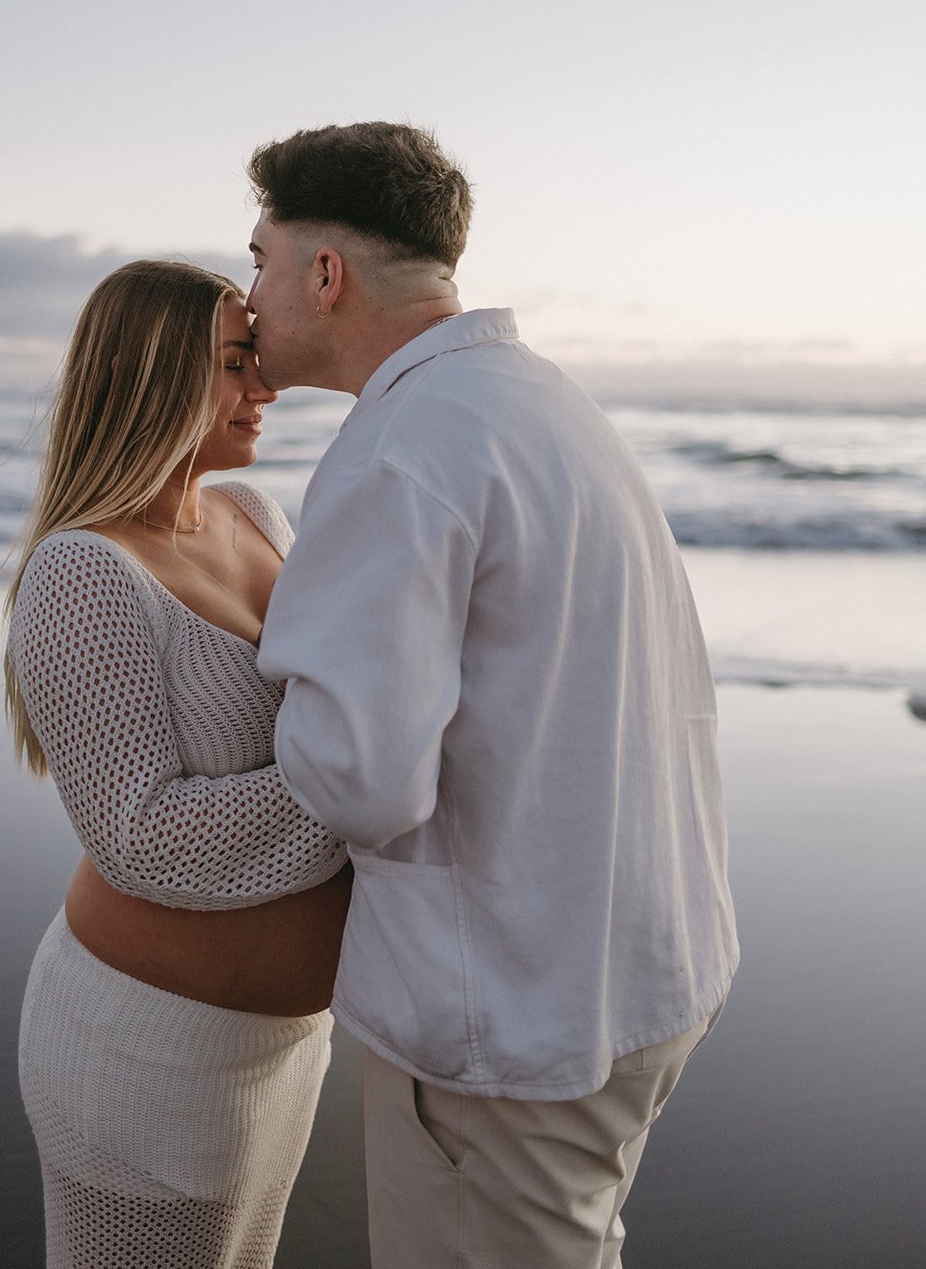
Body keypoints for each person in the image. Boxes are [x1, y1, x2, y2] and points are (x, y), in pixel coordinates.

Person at [245, 123, 740, 1269]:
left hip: (514, 1012)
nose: (249, 293)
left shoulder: (399, 450)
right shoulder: (543, 403)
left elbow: (355, 779)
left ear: (326, 276)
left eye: (261, 258)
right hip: (642, 967)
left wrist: (256, 673)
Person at [4, 259, 352, 1269]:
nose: (267, 384)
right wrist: (362, 778)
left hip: (279, 1051)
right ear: (155, 371)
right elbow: (141, 837)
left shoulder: (253, 515)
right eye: (238, 361)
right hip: (145, 1052)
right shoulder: (84, 567)